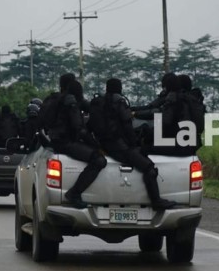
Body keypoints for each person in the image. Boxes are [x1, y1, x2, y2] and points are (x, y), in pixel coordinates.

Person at [90, 78, 177, 210]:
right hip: (119, 147)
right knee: (149, 168)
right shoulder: (119, 103)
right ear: (119, 88)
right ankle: (156, 201)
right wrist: (135, 145)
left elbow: (90, 125)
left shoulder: (97, 103)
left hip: (103, 145)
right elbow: (127, 127)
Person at [47, 80, 107, 209]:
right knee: (99, 160)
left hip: (57, 141)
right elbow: (79, 129)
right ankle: (74, 193)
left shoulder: (59, 100)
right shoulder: (71, 103)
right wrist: (96, 146)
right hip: (65, 143)